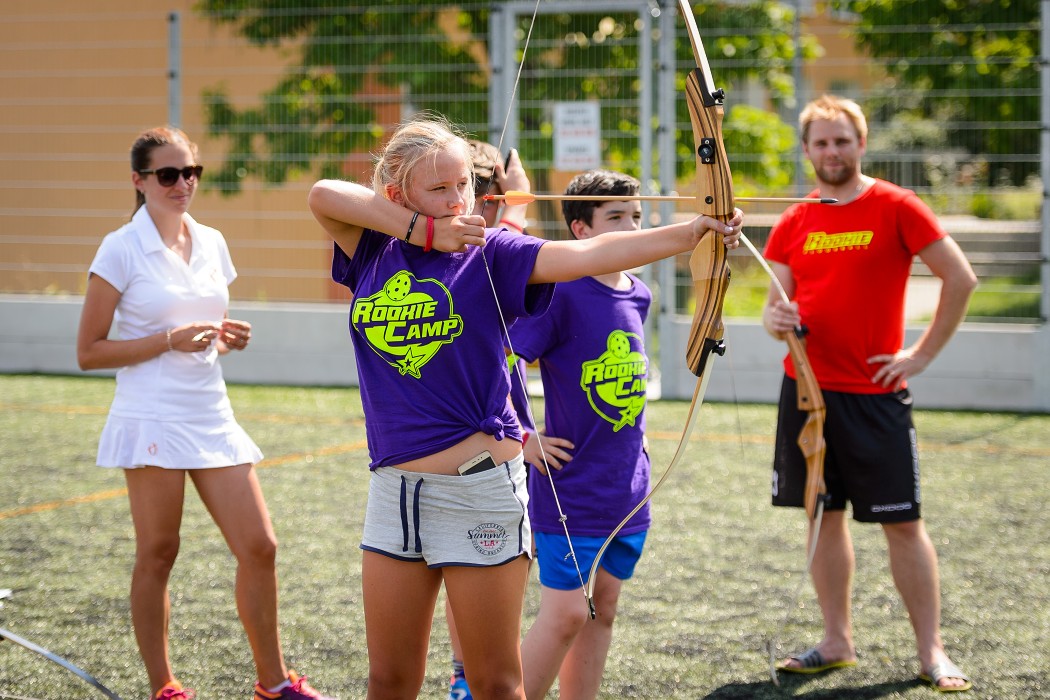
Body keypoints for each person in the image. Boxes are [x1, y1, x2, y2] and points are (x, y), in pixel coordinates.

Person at [306, 113, 741, 700]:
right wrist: (422, 232)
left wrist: (690, 233)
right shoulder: (371, 250)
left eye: (463, 184)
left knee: (496, 684)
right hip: (394, 492)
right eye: (439, 188)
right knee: (389, 680)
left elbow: (591, 254)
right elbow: (325, 194)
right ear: (397, 194)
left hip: (478, 489)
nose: (460, 199)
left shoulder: (493, 252)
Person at [76, 127, 334, 700]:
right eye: (168, 174)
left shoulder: (212, 240)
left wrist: (223, 340)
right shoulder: (120, 247)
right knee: (159, 552)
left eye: (191, 172)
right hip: (150, 417)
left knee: (260, 546)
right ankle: (163, 685)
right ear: (139, 182)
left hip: (210, 411)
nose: (182, 184)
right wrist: (168, 339)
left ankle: (273, 683)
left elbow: (203, 330)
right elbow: (89, 351)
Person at [761, 95, 977, 693]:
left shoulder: (897, 206)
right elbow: (774, 307)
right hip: (806, 394)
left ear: (861, 143)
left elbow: (960, 278)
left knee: (903, 523)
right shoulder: (794, 219)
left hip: (875, 395)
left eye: (842, 140)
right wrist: (776, 320)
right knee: (822, 517)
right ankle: (836, 641)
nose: (832, 152)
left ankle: (931, 652)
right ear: (807, 151)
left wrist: (922, 354)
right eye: (821, 142)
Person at [510, 170, 651, 700]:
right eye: (616, 218)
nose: (631, 228)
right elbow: (504, 364)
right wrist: (524, 435)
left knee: (603, 611)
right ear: (580, 230)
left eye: (636, 217)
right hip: (570, 487)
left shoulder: (639, 293)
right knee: (567, 613)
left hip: (627, 489)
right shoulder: (562, 292)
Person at [443, 139, 533, 700]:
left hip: (498, 421)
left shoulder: (501, 243)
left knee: (480, 571)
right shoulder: (483, 252)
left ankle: (465, 674)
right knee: (474, 567)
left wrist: (512, 180)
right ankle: (464, 675)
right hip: (476, 431)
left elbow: (516, 215)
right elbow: (516, 216)